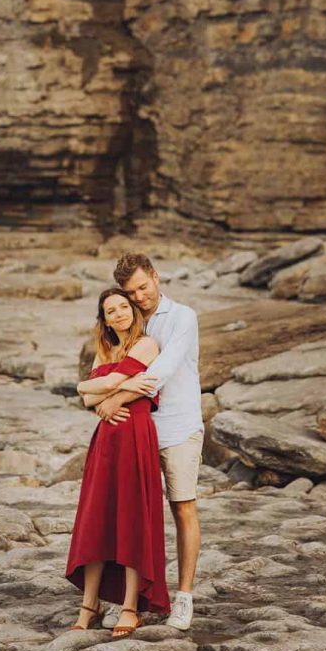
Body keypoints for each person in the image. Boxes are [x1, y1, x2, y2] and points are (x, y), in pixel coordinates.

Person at [94, 252, 203, 631]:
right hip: (137, 427)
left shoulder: (182, 317)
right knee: (131, 511)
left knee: (182, 506)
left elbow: (158, 373)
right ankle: (131, 598)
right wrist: (96, 396)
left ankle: (184, 596)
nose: (140, 296)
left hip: (178, 425)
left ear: (156, 277)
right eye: (131, 292)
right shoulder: (130, 319)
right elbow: (110, 366)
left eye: (143, 287)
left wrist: (111, 400)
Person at [64, 287, 170, 636]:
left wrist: (84, 386)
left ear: (133, 311)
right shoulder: (105, 349)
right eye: (111, 311)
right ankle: (89, 605)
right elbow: (90, 405)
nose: (120, 314)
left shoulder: (147, 343)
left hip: (135, 434)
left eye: (124, 307)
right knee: (98, 517)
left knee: (131, 517)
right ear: (104, 320)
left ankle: (129, 606)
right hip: (106, 437)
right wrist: (98, 391)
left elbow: (107, 383)